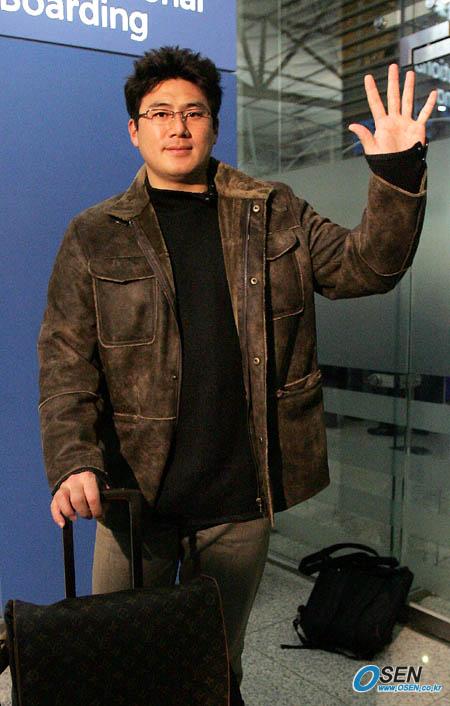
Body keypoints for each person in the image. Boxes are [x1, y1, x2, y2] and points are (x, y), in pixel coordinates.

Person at [38, 46, 436, 704]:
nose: (178, 126)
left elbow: (365, 267)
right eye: (160, 113)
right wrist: (74, 460)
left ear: (215, 126)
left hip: (238, 499)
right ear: (134, 130)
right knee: (117, 666)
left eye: (194, 112)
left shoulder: (272, 209)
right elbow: (64, 358)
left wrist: (395, 172)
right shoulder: (94, 234)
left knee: (216, 668)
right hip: (134, 498)